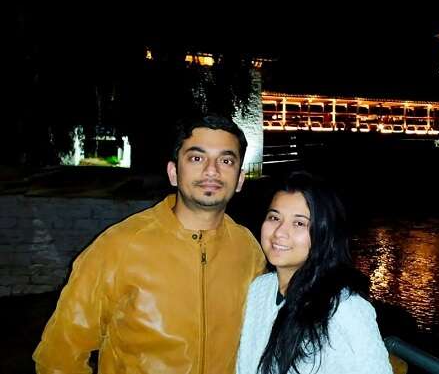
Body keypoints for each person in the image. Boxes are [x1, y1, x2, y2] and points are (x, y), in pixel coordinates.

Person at [33, 114, 266, 374]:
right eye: (196, 158)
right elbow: (59, 356)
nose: (211, 170)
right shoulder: (119, 246)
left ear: (240, 179)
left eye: (225, 160)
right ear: (173, 172)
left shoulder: (248, 249)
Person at [236, 172, 393, 374]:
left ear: (323, 232)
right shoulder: (259, 288)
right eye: (274, 217)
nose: (280, 232)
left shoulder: (345, 308)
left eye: (299, 223)